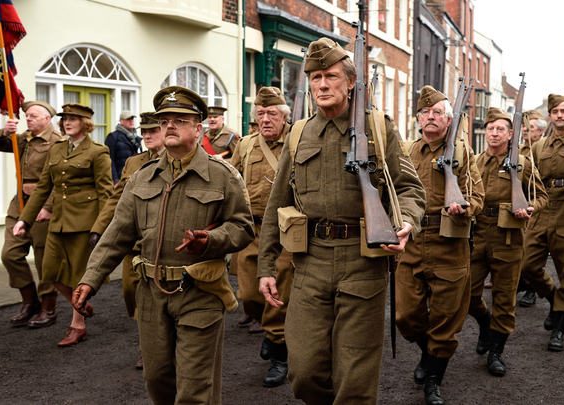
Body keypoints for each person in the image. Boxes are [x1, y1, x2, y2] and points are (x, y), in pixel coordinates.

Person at [256, 38, 426, 404]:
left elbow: (410, 188)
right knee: (304, 372)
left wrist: (407, 221)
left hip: (362, 262)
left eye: (330, 76)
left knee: (355, 380)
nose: (321, 84)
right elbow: (276, 204)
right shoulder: (299, 133)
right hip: (310, 263)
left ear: (350, 82)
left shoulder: (378, 128)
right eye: (315, 77)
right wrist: (266, 266)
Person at [72, 86, 255, 405]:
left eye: (180, 120)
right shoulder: (141, 178)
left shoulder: (223, 176)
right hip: (152, 293)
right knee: (157, 379)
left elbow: (243, 228)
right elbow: (117, 234)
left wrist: (210, 241)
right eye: (165, 120)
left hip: (199, 291)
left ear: (198, 128)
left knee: (194, 388)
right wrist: (91, 279)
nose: (170, 125)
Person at [395, 86, 483, 404]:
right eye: (426, 113)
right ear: (418, 118)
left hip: (450, 243)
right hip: (413, 240)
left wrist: (464, 205)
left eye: (438, 113)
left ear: (449, 120)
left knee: (446, 319)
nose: (431, 118)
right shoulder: (407, 152)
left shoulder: (462, 152)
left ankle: (434, 379)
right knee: (406, 316)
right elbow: (395, 193)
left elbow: (478, 196)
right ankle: (428, 353)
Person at [12, 103, 113, 346]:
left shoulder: (98, 151)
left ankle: (77, 325)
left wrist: (100, 228)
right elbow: (44, 188)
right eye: (65, 118)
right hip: (58, 220)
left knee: (79, 276)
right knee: (49, 271)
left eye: (74, 119)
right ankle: (81, 303)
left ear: (86, 124)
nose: (67, 122)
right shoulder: (57, 150)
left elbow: (106, 193)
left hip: (85, 222)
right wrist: (24, 219)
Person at [469, 107, 547, 377]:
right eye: (490, 128)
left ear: (510, 134)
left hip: (508, 238)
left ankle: (496, 352)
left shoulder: (523, 164)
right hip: (477, 236)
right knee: (467, 294)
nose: (494, 133)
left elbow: (542, 196)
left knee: (504, 298)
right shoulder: (474, 162)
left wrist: (529, 208)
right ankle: (484, 323)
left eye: (500, 129)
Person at [229, 86, 295, 387]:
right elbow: (231, 180)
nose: (265, 119)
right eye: (260, 114)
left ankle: (280, 355)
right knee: (249, 296)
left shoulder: (298, 140)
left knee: (277, 295)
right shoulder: (245, 144)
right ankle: (270, 332)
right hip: (251, 230)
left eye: (271, 114)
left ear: (284, 116)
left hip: (285, 233)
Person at [517, 94, 564, 351]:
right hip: (542, 210)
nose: (559, 115)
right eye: (555, 111)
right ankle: (553, 298)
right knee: (528, 266)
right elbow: (530, 180)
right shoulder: (540, 146)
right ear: (549, 115)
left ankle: (559, 329)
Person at [89, 112, 164, 369]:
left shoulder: (178, 160)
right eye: (145, 131)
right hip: (136, 241)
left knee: (162, 297)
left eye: (153, 130)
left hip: (166, 242)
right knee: (131, 291)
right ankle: (150, 338)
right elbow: (117, 198)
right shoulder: (134, 162)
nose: (147, 135)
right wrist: (99, 229)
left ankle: (155, 348)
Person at [0, 101, 64, 327]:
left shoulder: (57, 142)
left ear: (47, 119)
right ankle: (30, 302)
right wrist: (5, 131)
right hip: (19, 203)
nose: (27, 119)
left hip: (42, 205)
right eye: (26, 115)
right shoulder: (23, 139)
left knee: (43, 259)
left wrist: (48, 207)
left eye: (33, 116)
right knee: (10, 254)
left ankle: (49, 307)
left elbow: (59, 180)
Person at [105, 110, 141, 186]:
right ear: (121, 121)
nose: (131, 121)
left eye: (132, 119)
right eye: (128, 119)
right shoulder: (113, 137)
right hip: (120, 179)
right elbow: (109, 160)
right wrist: (115, 180)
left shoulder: (136, 138)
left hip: (135, 179)